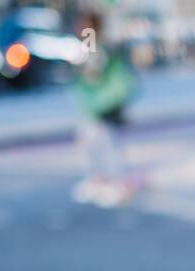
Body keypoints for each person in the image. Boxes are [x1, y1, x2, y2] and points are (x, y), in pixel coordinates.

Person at [71, 13, 137, 208]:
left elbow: (92, 73)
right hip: (98, 106)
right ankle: (104, 182)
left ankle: (114, 184)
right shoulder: (101, 45)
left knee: (106, 145)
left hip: (102, 105)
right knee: (100, 144)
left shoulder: (95, 45)